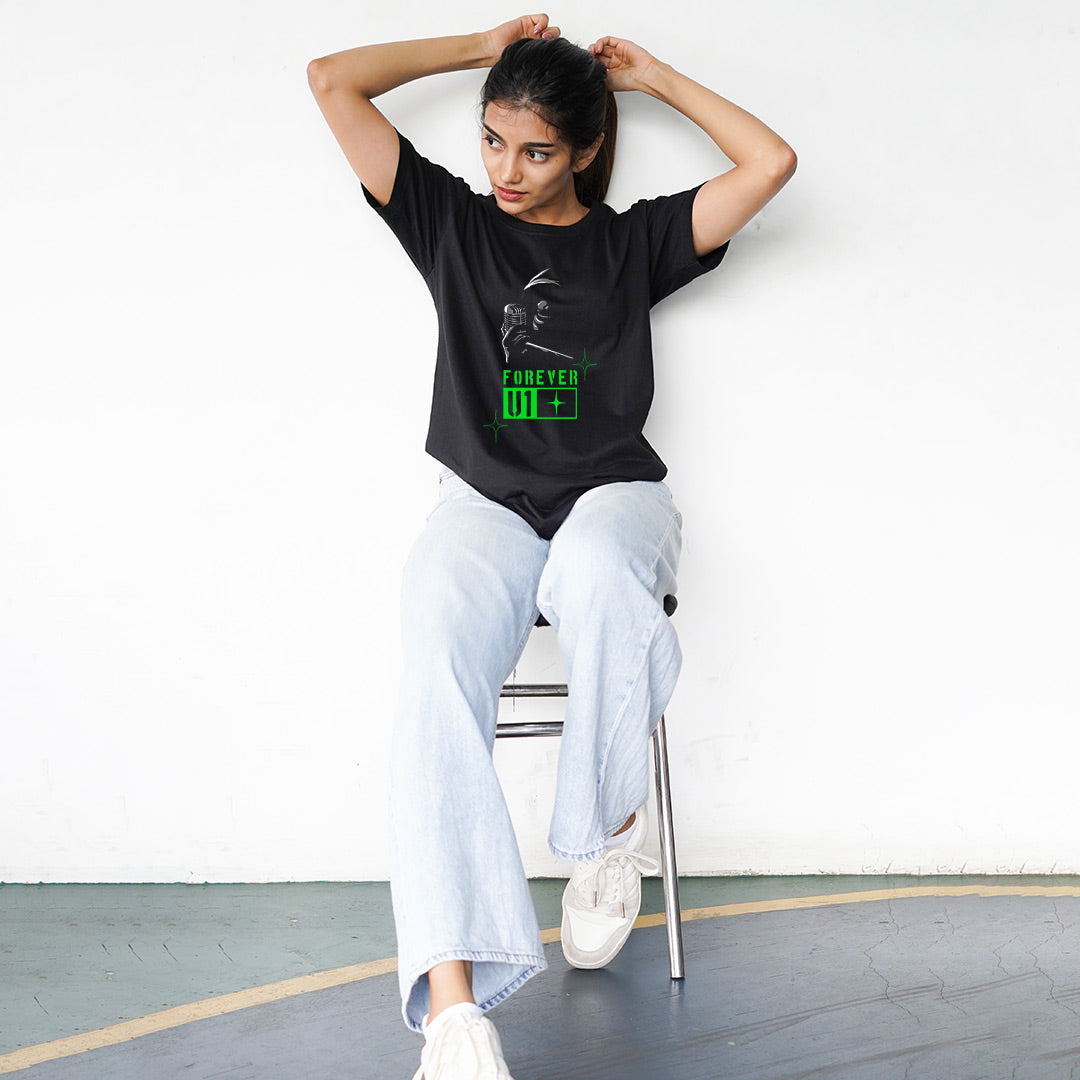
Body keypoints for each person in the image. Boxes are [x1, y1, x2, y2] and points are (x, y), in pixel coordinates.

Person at [307, 13, 795, 1078]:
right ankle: (454, 1015)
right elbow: (332, 79)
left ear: (584, 149)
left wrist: (655, 77)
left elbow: (771, 163)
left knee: (599, 572)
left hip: (611, 495)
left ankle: (607, 836)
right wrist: (477, 49)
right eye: (492, 141)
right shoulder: (449, 222)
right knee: (434, 661)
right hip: (484, 501)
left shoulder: (632, 244)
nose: (506, 170)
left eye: (535, 151)